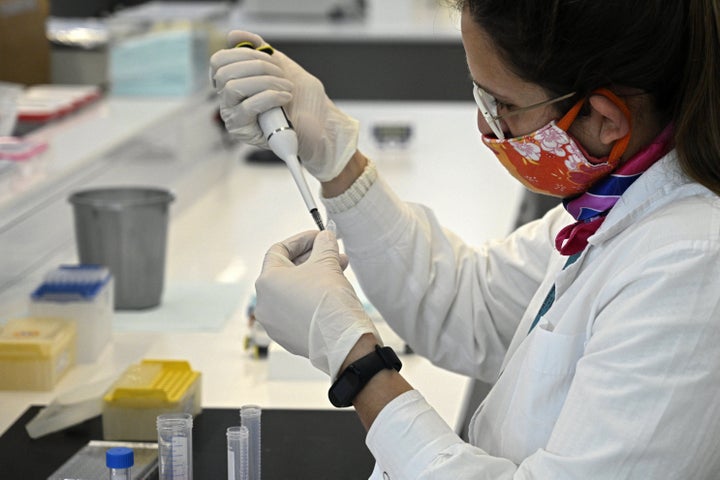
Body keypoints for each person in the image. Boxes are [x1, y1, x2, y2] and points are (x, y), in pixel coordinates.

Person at [209, 0, 720, 477]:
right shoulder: (614, 201)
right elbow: (467, 303)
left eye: (501, 104)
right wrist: (338, 159)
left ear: (604, 119)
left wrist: (356, 363)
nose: (485, 125)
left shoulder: (689, 265)